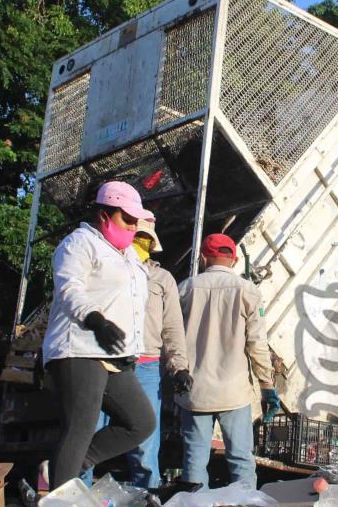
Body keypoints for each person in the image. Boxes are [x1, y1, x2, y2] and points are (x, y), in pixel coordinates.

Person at [42, 181, 157, 489]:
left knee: (141, 422)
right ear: (105, 215)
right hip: (78, 348)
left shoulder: (128, 255)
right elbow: (69, 288)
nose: (133, 226)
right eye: (127, 219)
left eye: (136, 221)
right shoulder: (79, 243)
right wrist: (95, 320)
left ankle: (65, 468)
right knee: (80, 426)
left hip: (114, 355)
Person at [94, 218, 192, 488]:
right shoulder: (107, 268)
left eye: (145, 239)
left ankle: (145, 498)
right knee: (89, 430)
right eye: (137, 237)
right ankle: (73, 492)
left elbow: (172, 327)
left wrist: (179, 367)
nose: (141, 243)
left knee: (145, 441)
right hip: (106, 362)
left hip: (147, 366)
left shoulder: (162, 280)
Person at [176, 233, 279, 490]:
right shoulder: (247, 291)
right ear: (233, 260)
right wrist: (267, 385)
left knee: (195, 460)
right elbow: (257, 344)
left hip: (194, 390)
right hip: (233, 392)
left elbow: (171, 337)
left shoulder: (186, 288)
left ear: (203, 257)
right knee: (241, 459)